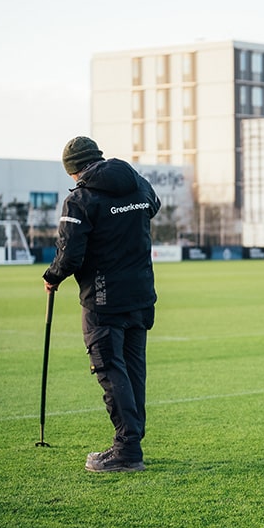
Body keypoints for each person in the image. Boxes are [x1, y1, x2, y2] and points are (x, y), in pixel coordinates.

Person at [42, 136, 161, 473]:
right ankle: (133, 439)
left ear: (73, 170)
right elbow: (154, 205)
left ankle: (126, 449)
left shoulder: (81, 199)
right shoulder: (136, 183)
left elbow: (70, 255)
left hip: (103, 298)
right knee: (133, 368)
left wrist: (52, 277)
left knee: (109, 368)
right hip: (141, 294)